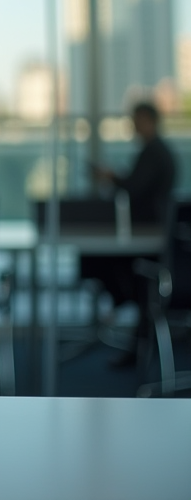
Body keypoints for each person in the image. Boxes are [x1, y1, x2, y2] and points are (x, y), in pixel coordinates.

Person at [89, 100, 178, 367]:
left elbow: (134, 189)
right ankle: (134, 335)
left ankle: (121, 306)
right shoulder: (158, 151)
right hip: (152, 233)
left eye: (136, 120)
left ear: (149, 120)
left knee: (124, 274)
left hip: (149, 234)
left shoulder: (154, 152)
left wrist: (111, 177)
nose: (133, 126)